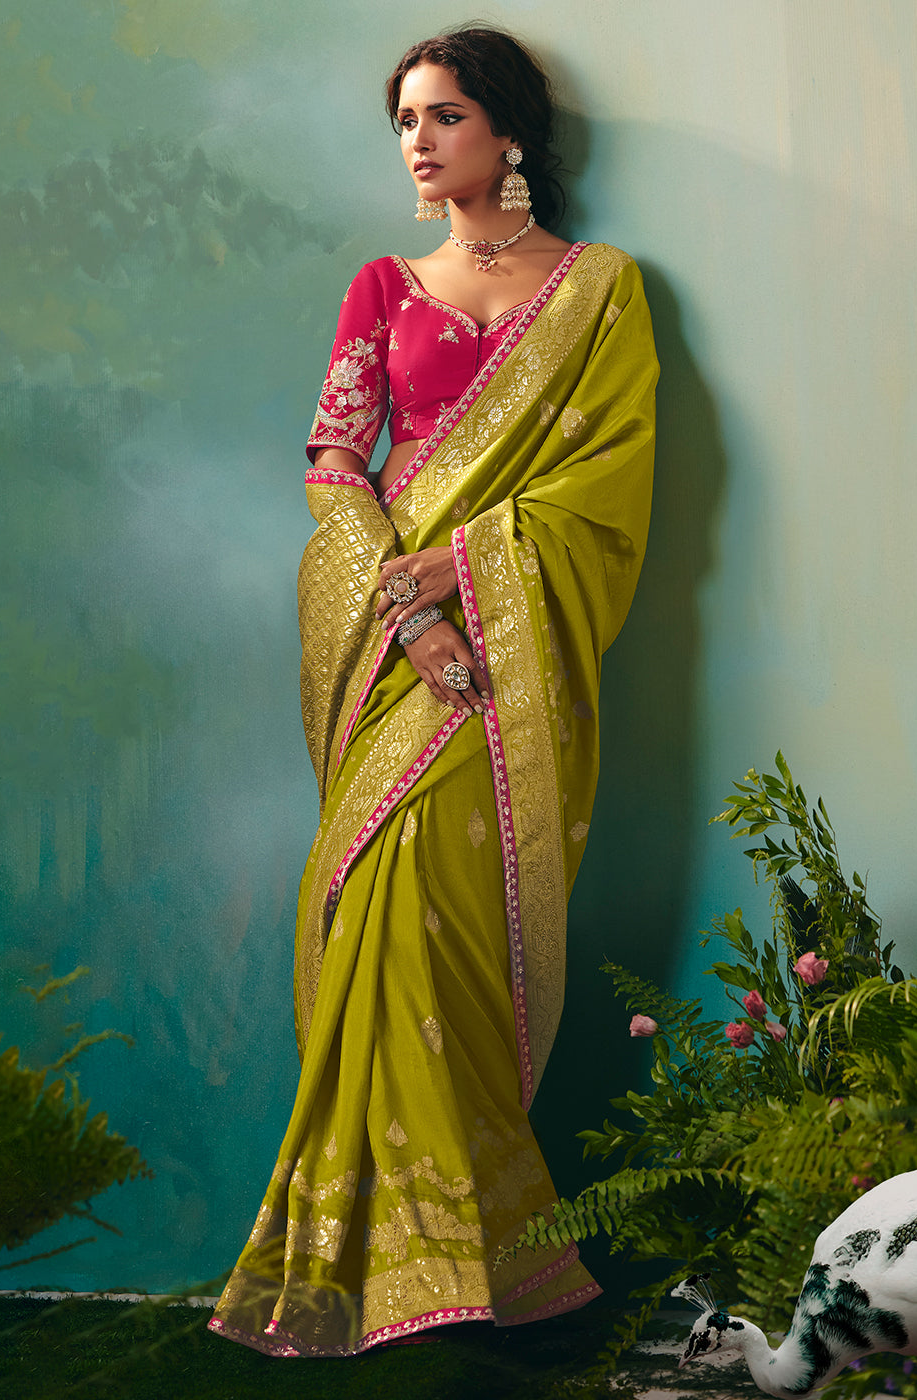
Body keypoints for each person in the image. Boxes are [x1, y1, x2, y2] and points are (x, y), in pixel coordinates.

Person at [209, 26, 658, 1357]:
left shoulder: (599, 290)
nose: (418, 139)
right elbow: (335, 461)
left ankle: (476, 1264)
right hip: (394, 654)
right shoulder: (384, 289)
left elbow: (604, 486)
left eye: (445, 114)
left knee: (442, 932)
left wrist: (467, 574)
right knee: (371, 912)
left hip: (514, 657)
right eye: (406, 119)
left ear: (507, 132)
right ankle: (404, 1266)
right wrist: (408, 618)